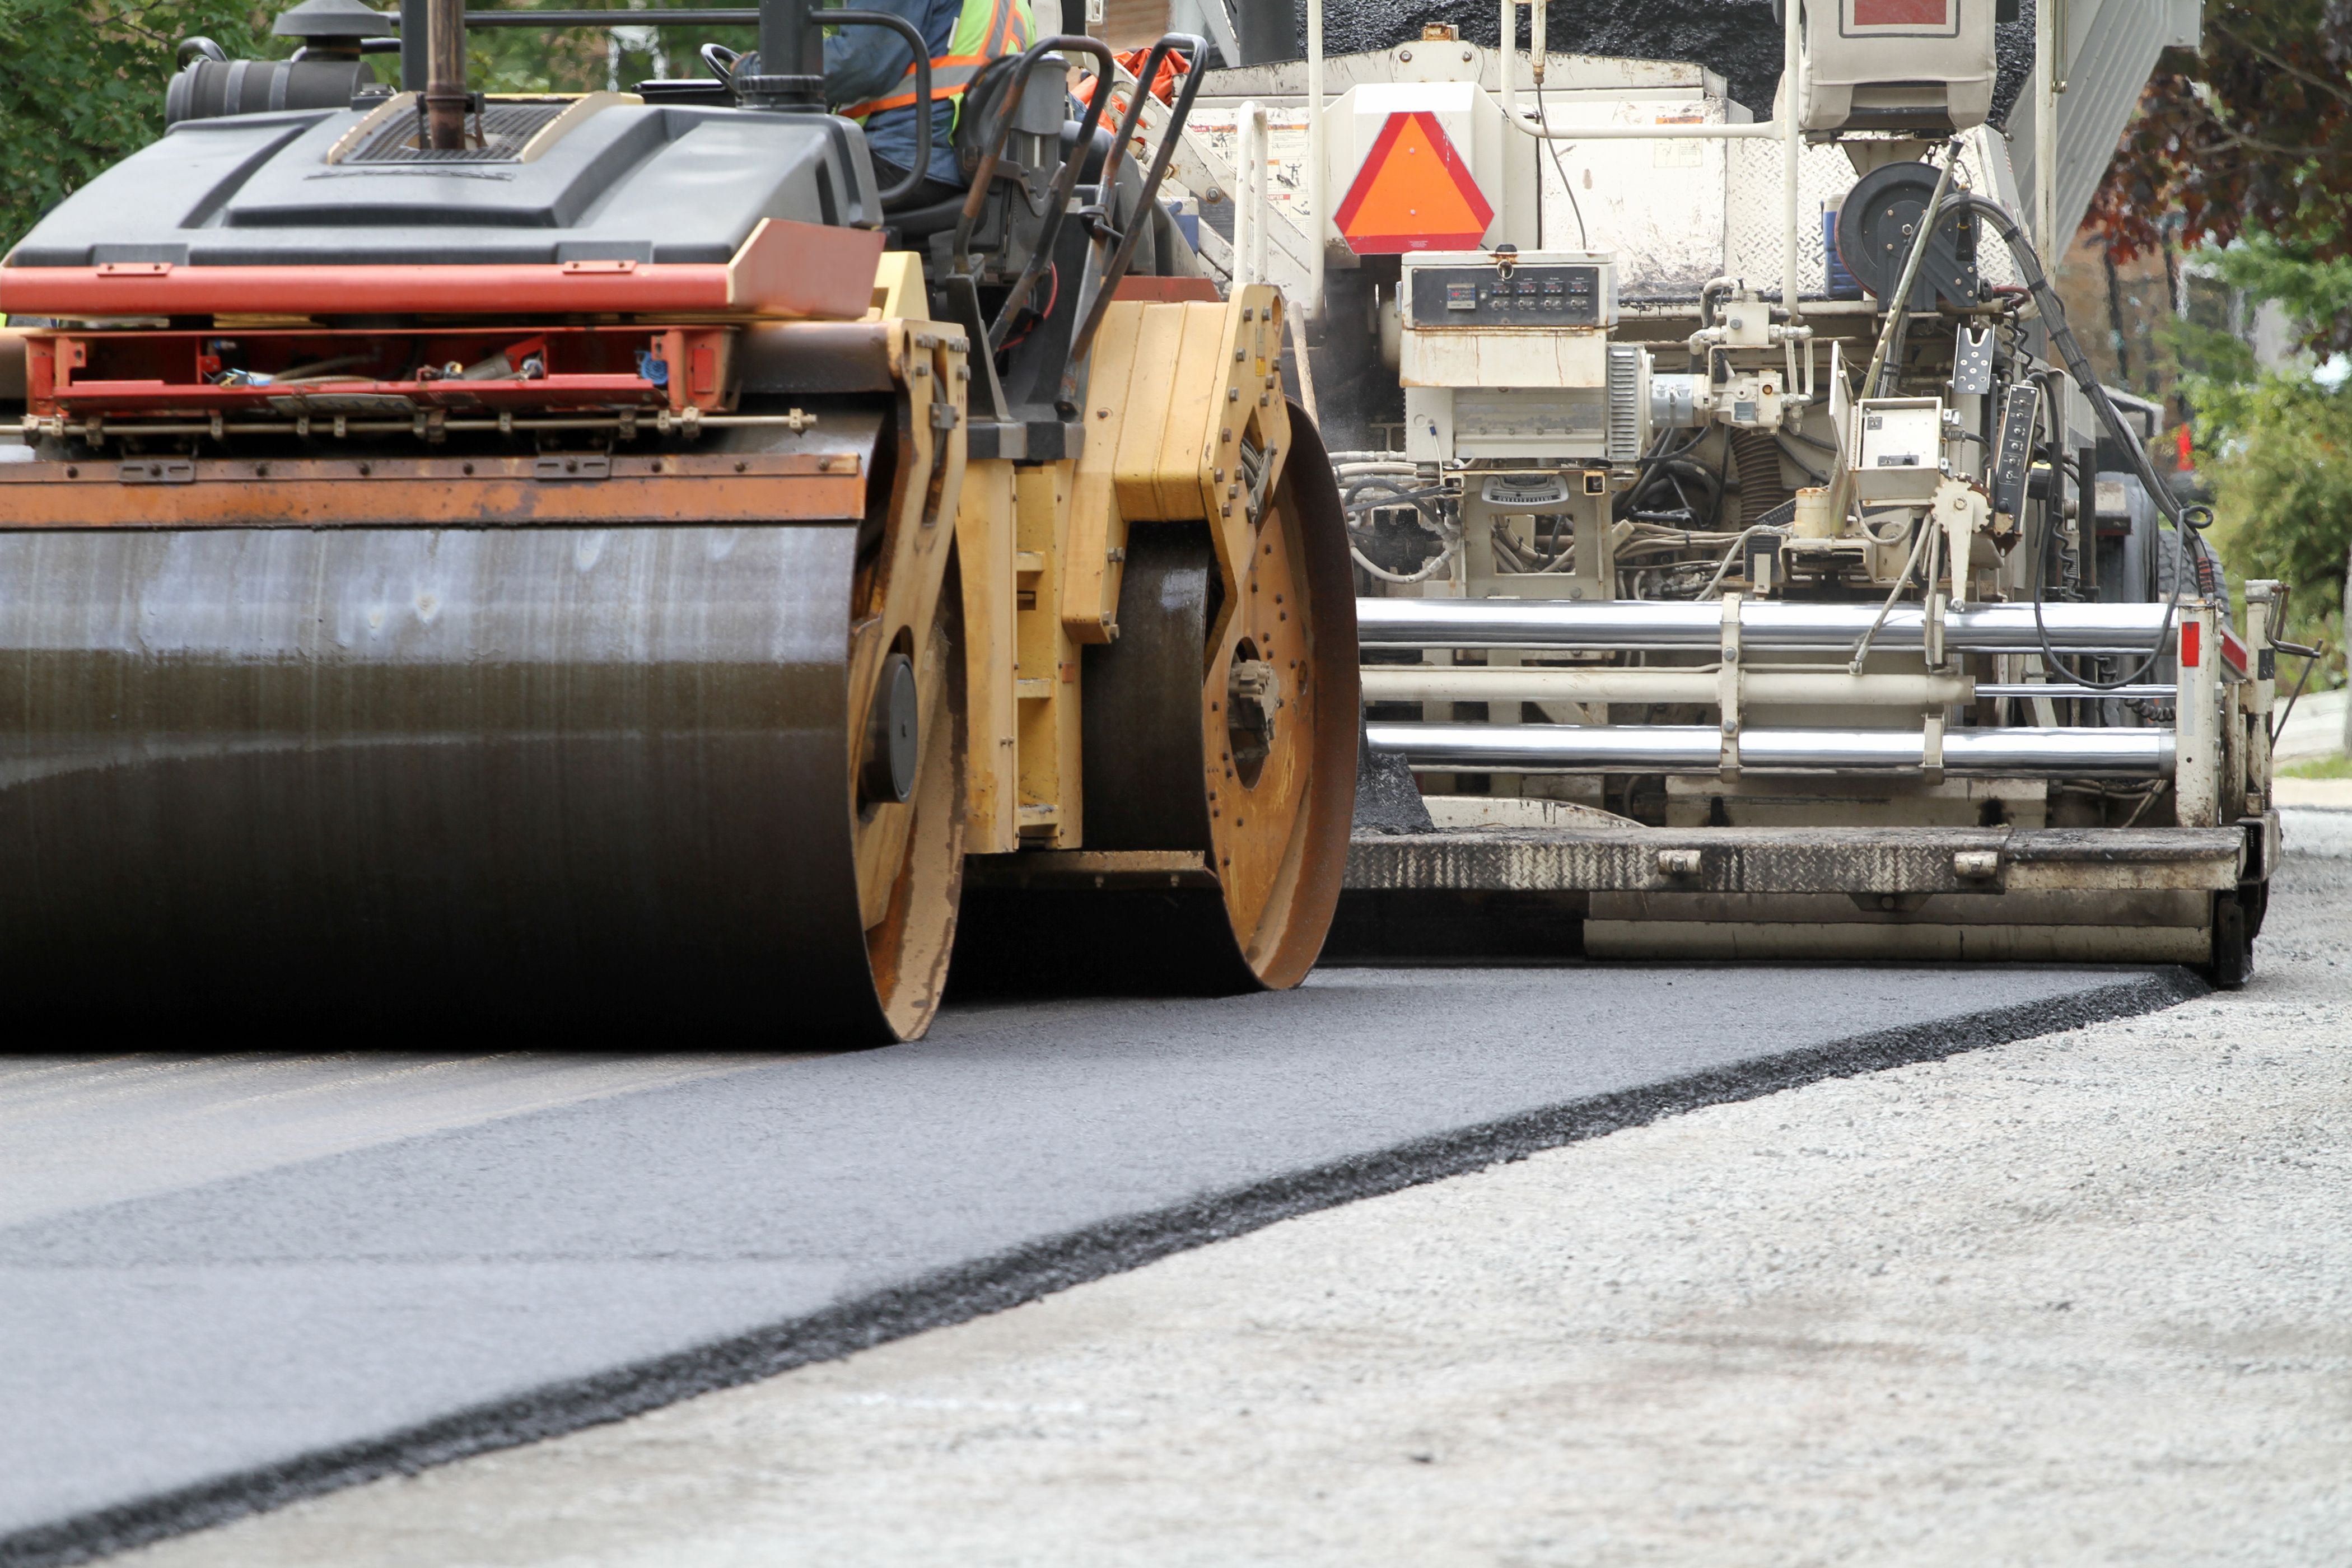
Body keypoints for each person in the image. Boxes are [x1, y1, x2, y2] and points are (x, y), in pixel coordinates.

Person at [825, 0, 1034, 203]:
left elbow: (857, 65)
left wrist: (794, 65)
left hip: (903, 159)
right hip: (975, 169)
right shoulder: (1018, 5)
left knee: (797, 181)